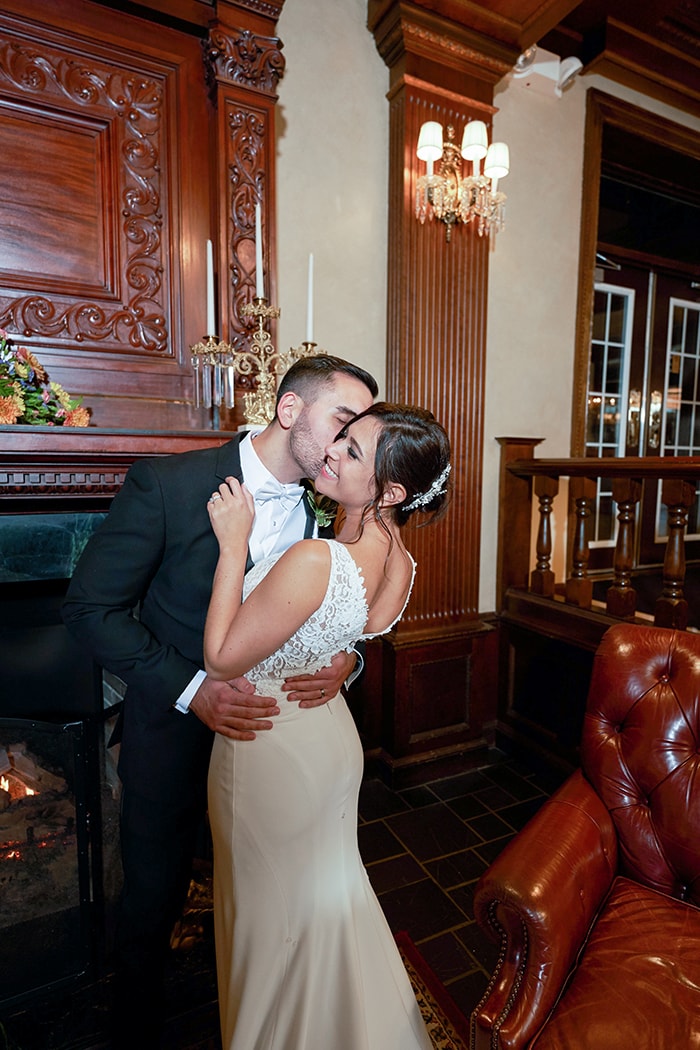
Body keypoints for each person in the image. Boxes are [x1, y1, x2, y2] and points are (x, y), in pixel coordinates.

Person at [61, 354, 379, 1048]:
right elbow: (90, 608)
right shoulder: (170, 483)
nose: (344, 445)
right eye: (342, 421)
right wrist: (191, 687)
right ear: (291, 410)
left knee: (263, 898)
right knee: (152, 899)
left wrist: (347, 660)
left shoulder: (332, 503)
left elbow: (347, 606)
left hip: (272, 746)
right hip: (172, 732)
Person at [203, 401, 451, 1050]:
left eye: (352, 451)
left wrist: (234, 546)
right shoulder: (400, 558)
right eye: (341, 437)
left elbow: (223, 657)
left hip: (270, 745)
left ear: (391, 490)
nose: (332, 452)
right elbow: (351, 632)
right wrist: (340, 662)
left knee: (267, 916)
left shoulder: (316, 558)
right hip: (330, 741)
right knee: (327, 905)